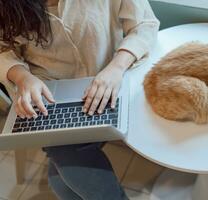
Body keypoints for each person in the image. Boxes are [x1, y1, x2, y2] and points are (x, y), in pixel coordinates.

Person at [0, 0, 159, 199]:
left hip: (107, 81)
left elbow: (145, 24)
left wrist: (116, 67)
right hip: (48, 93)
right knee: (63, 163)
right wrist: (22, 77)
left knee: (60, 173)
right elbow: (3, 49)